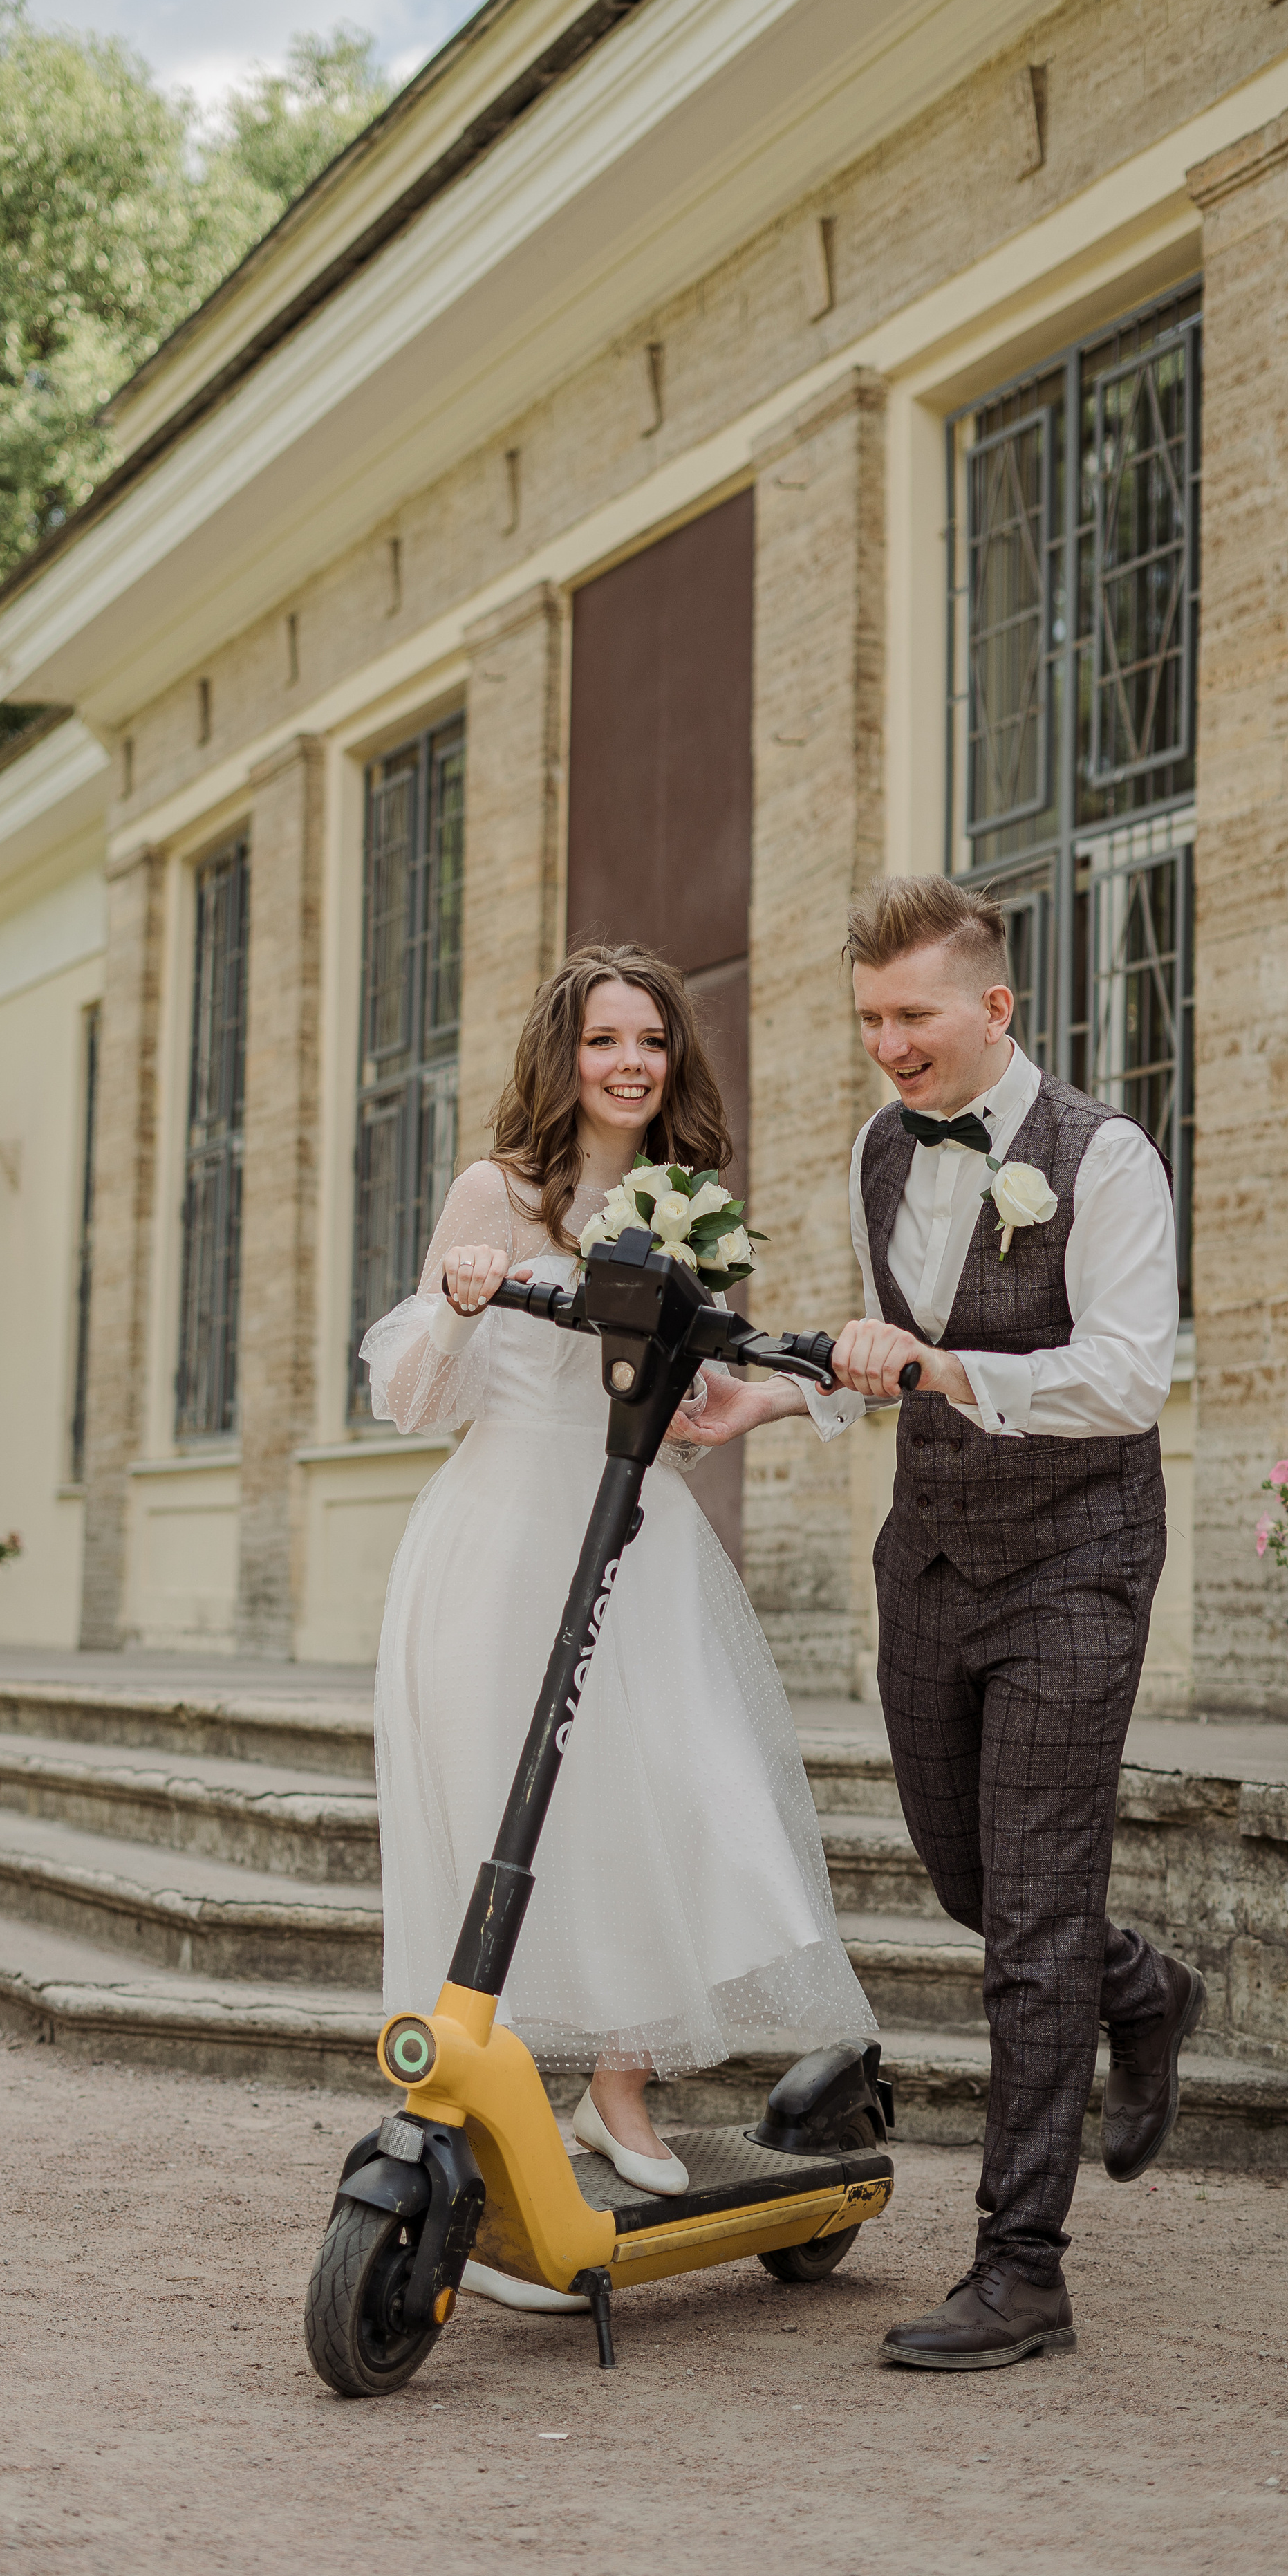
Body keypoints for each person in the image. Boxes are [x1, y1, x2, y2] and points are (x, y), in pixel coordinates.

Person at [680, 875, 1198, 2369]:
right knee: (977, 1885)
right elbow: (872, 1350)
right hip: (927, 1563)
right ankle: (1142, 1988)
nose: (886, 1046)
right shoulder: (873, 1149)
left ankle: (1017, 2270)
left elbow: (1122, 1378)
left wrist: (945, 1369)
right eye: (867, 1021)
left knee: (1027, 1933)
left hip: (1076, 1564)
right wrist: (770, 1398)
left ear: (992, 1007)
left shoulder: (1102, 1160)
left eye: (909, 1017)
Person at [361, 943, 875, 2271]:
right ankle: (501, 2091)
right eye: (605, 1041)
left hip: (631, 1538)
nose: (630, 1062)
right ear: (566, 1054)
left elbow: (680, 1413)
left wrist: (720, 1405)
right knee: (514, 1810)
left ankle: (623, 2083)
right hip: (496, 1544)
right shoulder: (499, 1186)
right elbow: (414, 1397)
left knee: (674, 1793)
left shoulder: (682, 1198)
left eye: (651, 1040)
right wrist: (463, 1307)